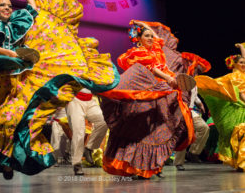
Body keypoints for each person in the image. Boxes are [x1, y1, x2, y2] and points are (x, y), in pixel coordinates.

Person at [0, 0, 118, 188]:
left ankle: (7, 162)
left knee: (12, 121)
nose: (8, 8)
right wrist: (8, 53)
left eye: (10, 5)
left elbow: (34, 9)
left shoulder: (20, 20)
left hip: (16, 82)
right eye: (3, 5)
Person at [99, 20, 210, 179]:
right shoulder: (138, 52)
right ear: (139, 39)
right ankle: (138, 168)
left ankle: (152, 167)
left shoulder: (157, 52)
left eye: (152, 36)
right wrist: (169, 79)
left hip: (159, 97)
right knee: (141, 133)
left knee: (158, 132)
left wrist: (144, 26)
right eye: (147, 36)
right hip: (144, 98)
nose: (151, 38)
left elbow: (159, 41)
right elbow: (153, 69)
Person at [195, 43, 245, 171]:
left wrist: (241, 48)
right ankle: (239, 162)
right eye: (241, 62)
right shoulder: (231, 77)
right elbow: (237, 93)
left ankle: (241, 162)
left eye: (244, 62)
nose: (243, 64)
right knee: (236, 135)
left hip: (242, 108)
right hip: (236, 109)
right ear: (234, 64)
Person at [66, 88, 108, 175]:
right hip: (74, 100)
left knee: (104, 121)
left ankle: (89, 148)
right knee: (79, 133)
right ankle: (77, 164)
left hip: (90, 100)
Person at [174, 87, 210, 171]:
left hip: (189, 110)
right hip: (178, 109)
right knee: (183, 133)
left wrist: (200, 103)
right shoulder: (178, 78)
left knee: (204, 128)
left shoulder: (193, 82)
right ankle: (178, 162)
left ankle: (193, 152)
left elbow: (194, 95)